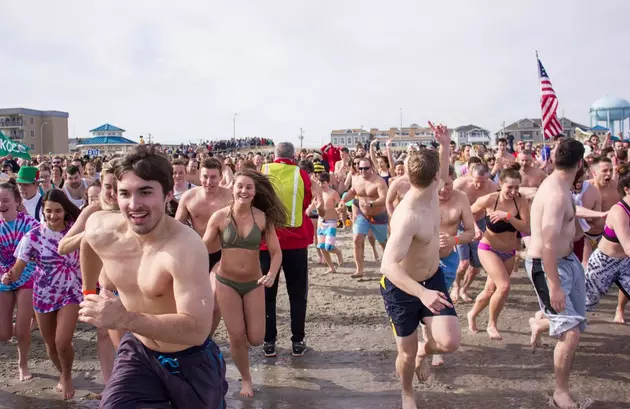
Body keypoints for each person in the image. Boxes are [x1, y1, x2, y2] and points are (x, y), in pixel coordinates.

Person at [78, 145, 228, 408]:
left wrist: (124, 318)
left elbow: (196, 330)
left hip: (190, 360)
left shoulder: (185, 247)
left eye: (145, 192)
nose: (134, 205)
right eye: (125, 193)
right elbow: (88, 244)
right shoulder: (103, 228)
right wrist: (88, 291)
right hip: (139, 352)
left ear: (168, 194)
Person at [380, 123, 460, 409]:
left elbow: (445, 166)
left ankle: (423, 354)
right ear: (435, 177)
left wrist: (446, 143)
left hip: (433, 278)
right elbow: (388, 265)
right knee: (406, 354)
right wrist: (421, 294)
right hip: (403, 288)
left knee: (449, 342)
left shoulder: (433, 189)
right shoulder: (408, 215)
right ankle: (407, 393)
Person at [203, 169, 284, 397]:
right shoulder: (219, 217)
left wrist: (271, 274)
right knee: (236, 335)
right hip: (226, 282)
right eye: (240, 186)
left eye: (249, 187)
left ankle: (239, 355)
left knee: (257, 338)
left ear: (255, 191)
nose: (244, 191)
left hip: (254, 282)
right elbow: (201, 246)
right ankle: (246, 379)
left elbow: (276, 253)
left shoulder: (261, 218)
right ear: (232, 188)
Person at [4, 189, 81, 399]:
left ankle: (66, 376)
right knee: (51, 346)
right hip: (44, 294)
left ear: (65, 211)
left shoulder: (75, 232)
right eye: (49, 211)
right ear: (43, 211)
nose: (53, 215)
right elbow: (20, 266)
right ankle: (63, 371)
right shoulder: (34, 235)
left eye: (58, 211)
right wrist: (10, 276)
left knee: (62, 342)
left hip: (71, 291)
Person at [526, 137, 586, 409]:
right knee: (571, 332)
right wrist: (554, 286)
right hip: (548, 265)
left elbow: (567, 224)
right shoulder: (556, 193)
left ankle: (541, 323)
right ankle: (560, 392)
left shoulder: (560, 186)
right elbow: (547, 244)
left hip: (568, 261)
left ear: (552, 159)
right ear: (581, 163)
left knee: (575, 325)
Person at [57, 159, 122, 386]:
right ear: (100, 185)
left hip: (132, 287)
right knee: (104, 334)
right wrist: (89, 235)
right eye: (108, 187)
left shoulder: (131, 209)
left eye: (117, 187)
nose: (113, 193)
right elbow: (63, 246)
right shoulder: (92, 212)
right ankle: (109, 384)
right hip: (105, 287)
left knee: (129, 343)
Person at [260, 142, 313, 358]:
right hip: (295, 241)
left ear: (275, 156)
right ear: (293, 156)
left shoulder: (263, 171)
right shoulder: (300, 174)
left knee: (267, 294)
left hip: (267, 242)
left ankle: (269, 341)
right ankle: (297, 341)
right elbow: (306, 200)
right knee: (297, 294)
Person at [467, 164, 531, 340]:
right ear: (501, 183)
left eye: (517, 187)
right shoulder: (490, 199)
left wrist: (508, 216)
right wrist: (474, 229)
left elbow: (527, 227)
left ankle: (472, 314)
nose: (513, 191)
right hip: (488, 248)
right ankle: (491, 325)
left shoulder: (521, 201)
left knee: (490, 290)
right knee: (504, 287)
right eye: (510, 187)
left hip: (509, 252)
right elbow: (467, 213)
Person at [175, 157, 232, 334]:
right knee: (191, 303)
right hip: (195, 256)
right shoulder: (189, 197)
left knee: (215, 305)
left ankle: (207, 339)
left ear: (221, 177)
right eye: (205, 176)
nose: (209, 182)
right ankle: (192, 337)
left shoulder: (230, 198)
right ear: (200, 175)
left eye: (214, 177)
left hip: (220, 255)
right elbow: (177, 227)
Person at [0, 180, 39, 381]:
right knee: (4, 334)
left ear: (17, 201)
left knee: (22, 329)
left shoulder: (30, 225)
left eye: (5, 200)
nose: (1, 204)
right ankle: (28, 325)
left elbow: (42, 248)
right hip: (3, 280)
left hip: (27, 277)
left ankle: (22, 362)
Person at [584, 163, 630, 322]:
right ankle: (542, 323)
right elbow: (628, 247)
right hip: (604, 263)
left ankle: (620, 311)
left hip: (625, 263)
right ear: (627, 190)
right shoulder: (619, 211)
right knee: (582, 307)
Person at [452, 164, 497, 302]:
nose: (479, 185)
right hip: (461, 223)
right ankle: (456, 286)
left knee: (476, 266)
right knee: (463, 263)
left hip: (481, 222)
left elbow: (493, 207)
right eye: (476, 181)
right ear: (471, 176)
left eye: (482, 182)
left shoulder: (492, 186)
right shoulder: (460, 184)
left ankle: (465, 289)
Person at [338, 157, 389, 278]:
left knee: (383, 243)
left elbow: (384, 198)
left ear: (371, 167)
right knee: (357, 239)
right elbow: (351, 191)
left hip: (378, 215)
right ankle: (359, 270)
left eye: (366, 168)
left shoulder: (379, 181)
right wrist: (342, 201)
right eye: (360, 168)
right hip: (363, 215)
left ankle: (389, 266)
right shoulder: (357, 180)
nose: (363, 171)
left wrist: (372, 203)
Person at [314, 172, 343, 273]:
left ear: (328, 183)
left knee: (329, 246)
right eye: (319, 182)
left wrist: (339, 208)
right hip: (321, 222)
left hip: (331, 221)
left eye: (323, 183)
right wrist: (308, 210)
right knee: (322, 247)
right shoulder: (317, 193)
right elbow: (314, 204)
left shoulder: (333, 193)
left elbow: (340, 203)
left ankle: (338, 252)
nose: (321, 185)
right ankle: (331, 267)